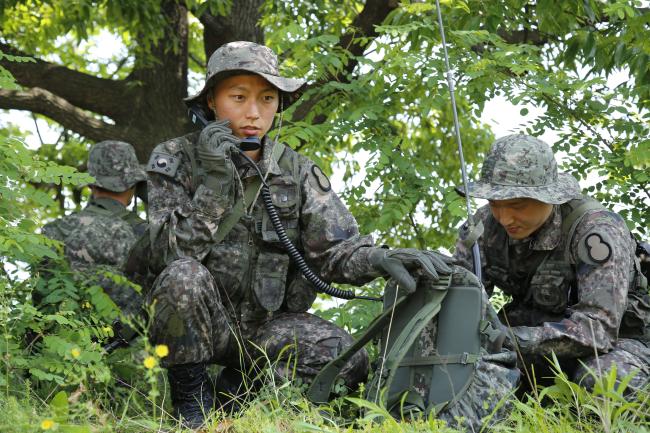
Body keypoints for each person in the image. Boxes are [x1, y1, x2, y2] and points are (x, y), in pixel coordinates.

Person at [145, 40, 453, 428]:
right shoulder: (175, 159)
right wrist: (216, 182)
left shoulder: (298, 171)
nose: (254, 112)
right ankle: (192, 405)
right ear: (211, 101)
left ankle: (238, 390)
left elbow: (336, 251)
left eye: (268, 99)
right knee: (182, 278)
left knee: (346, 358)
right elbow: (169, 255)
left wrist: (382, 258)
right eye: (238, 97)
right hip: (206, 321)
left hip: (266, 326)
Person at [454, 134, 650, 394]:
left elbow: (597, 331)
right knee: (466, 372)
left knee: (603, 380)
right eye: (494, 204)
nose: (503, 217)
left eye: (516, 204)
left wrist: (505, 338)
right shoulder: (484, 228)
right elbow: (458, 301)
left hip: (621, 345)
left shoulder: (595, 231)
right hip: (535, 346)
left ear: (549, 196)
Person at [42, 140, 148, 318]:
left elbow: (41, 297)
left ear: (91, 184)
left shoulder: (53, 231)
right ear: (133, 184)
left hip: (59, 335)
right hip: (128, 340)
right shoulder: (141, 233)